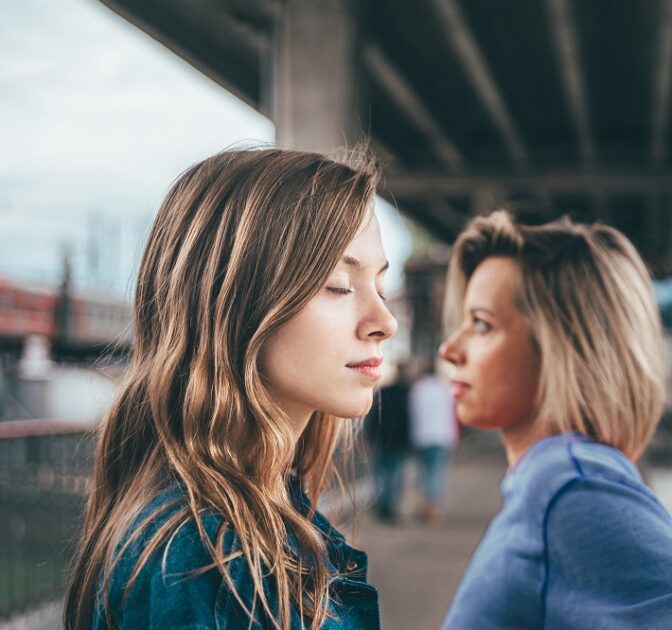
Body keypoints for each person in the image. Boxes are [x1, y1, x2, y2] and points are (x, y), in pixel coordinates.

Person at [64, 148, 397, 630]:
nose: (383, 322)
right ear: (234, 301)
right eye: (339, 285)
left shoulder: (253, 515)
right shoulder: (203, 559)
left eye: (382, 287)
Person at [438, 211, 672, 629]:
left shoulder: (571, 486)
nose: (449, 348)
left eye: (481, 324)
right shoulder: (555, 482)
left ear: (559, 344)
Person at [408, 362, 457, 523]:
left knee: (423, 473)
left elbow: (413, 413)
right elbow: (453, 412)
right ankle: (434, 508)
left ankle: (424, 506)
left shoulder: (418, 388)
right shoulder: (445, 389)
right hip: (442, 435)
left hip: (422, 435)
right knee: (436, 473)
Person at [364, 362, 412, 524]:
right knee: (393, 475)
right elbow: (411, 419)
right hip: (399, 440)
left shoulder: (384, 392)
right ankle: (389, 508)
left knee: (380, 474)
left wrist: (369, 436)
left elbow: (374, 416)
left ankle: (381, 505)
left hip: (382, 438)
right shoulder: (408, 392)